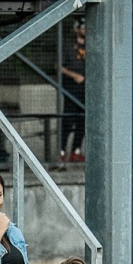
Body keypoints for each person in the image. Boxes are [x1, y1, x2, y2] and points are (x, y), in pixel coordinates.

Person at [58, 20, 85, 162]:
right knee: (68, 120)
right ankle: (61, 151)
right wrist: (74, 75)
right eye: (83, 27)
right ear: (76, 29)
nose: (85, 30)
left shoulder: (92, 45)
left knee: (83, 119)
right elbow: (59, 66)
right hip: (71, 89)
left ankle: (76, 150)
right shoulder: (68, 46)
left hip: (86, 90)